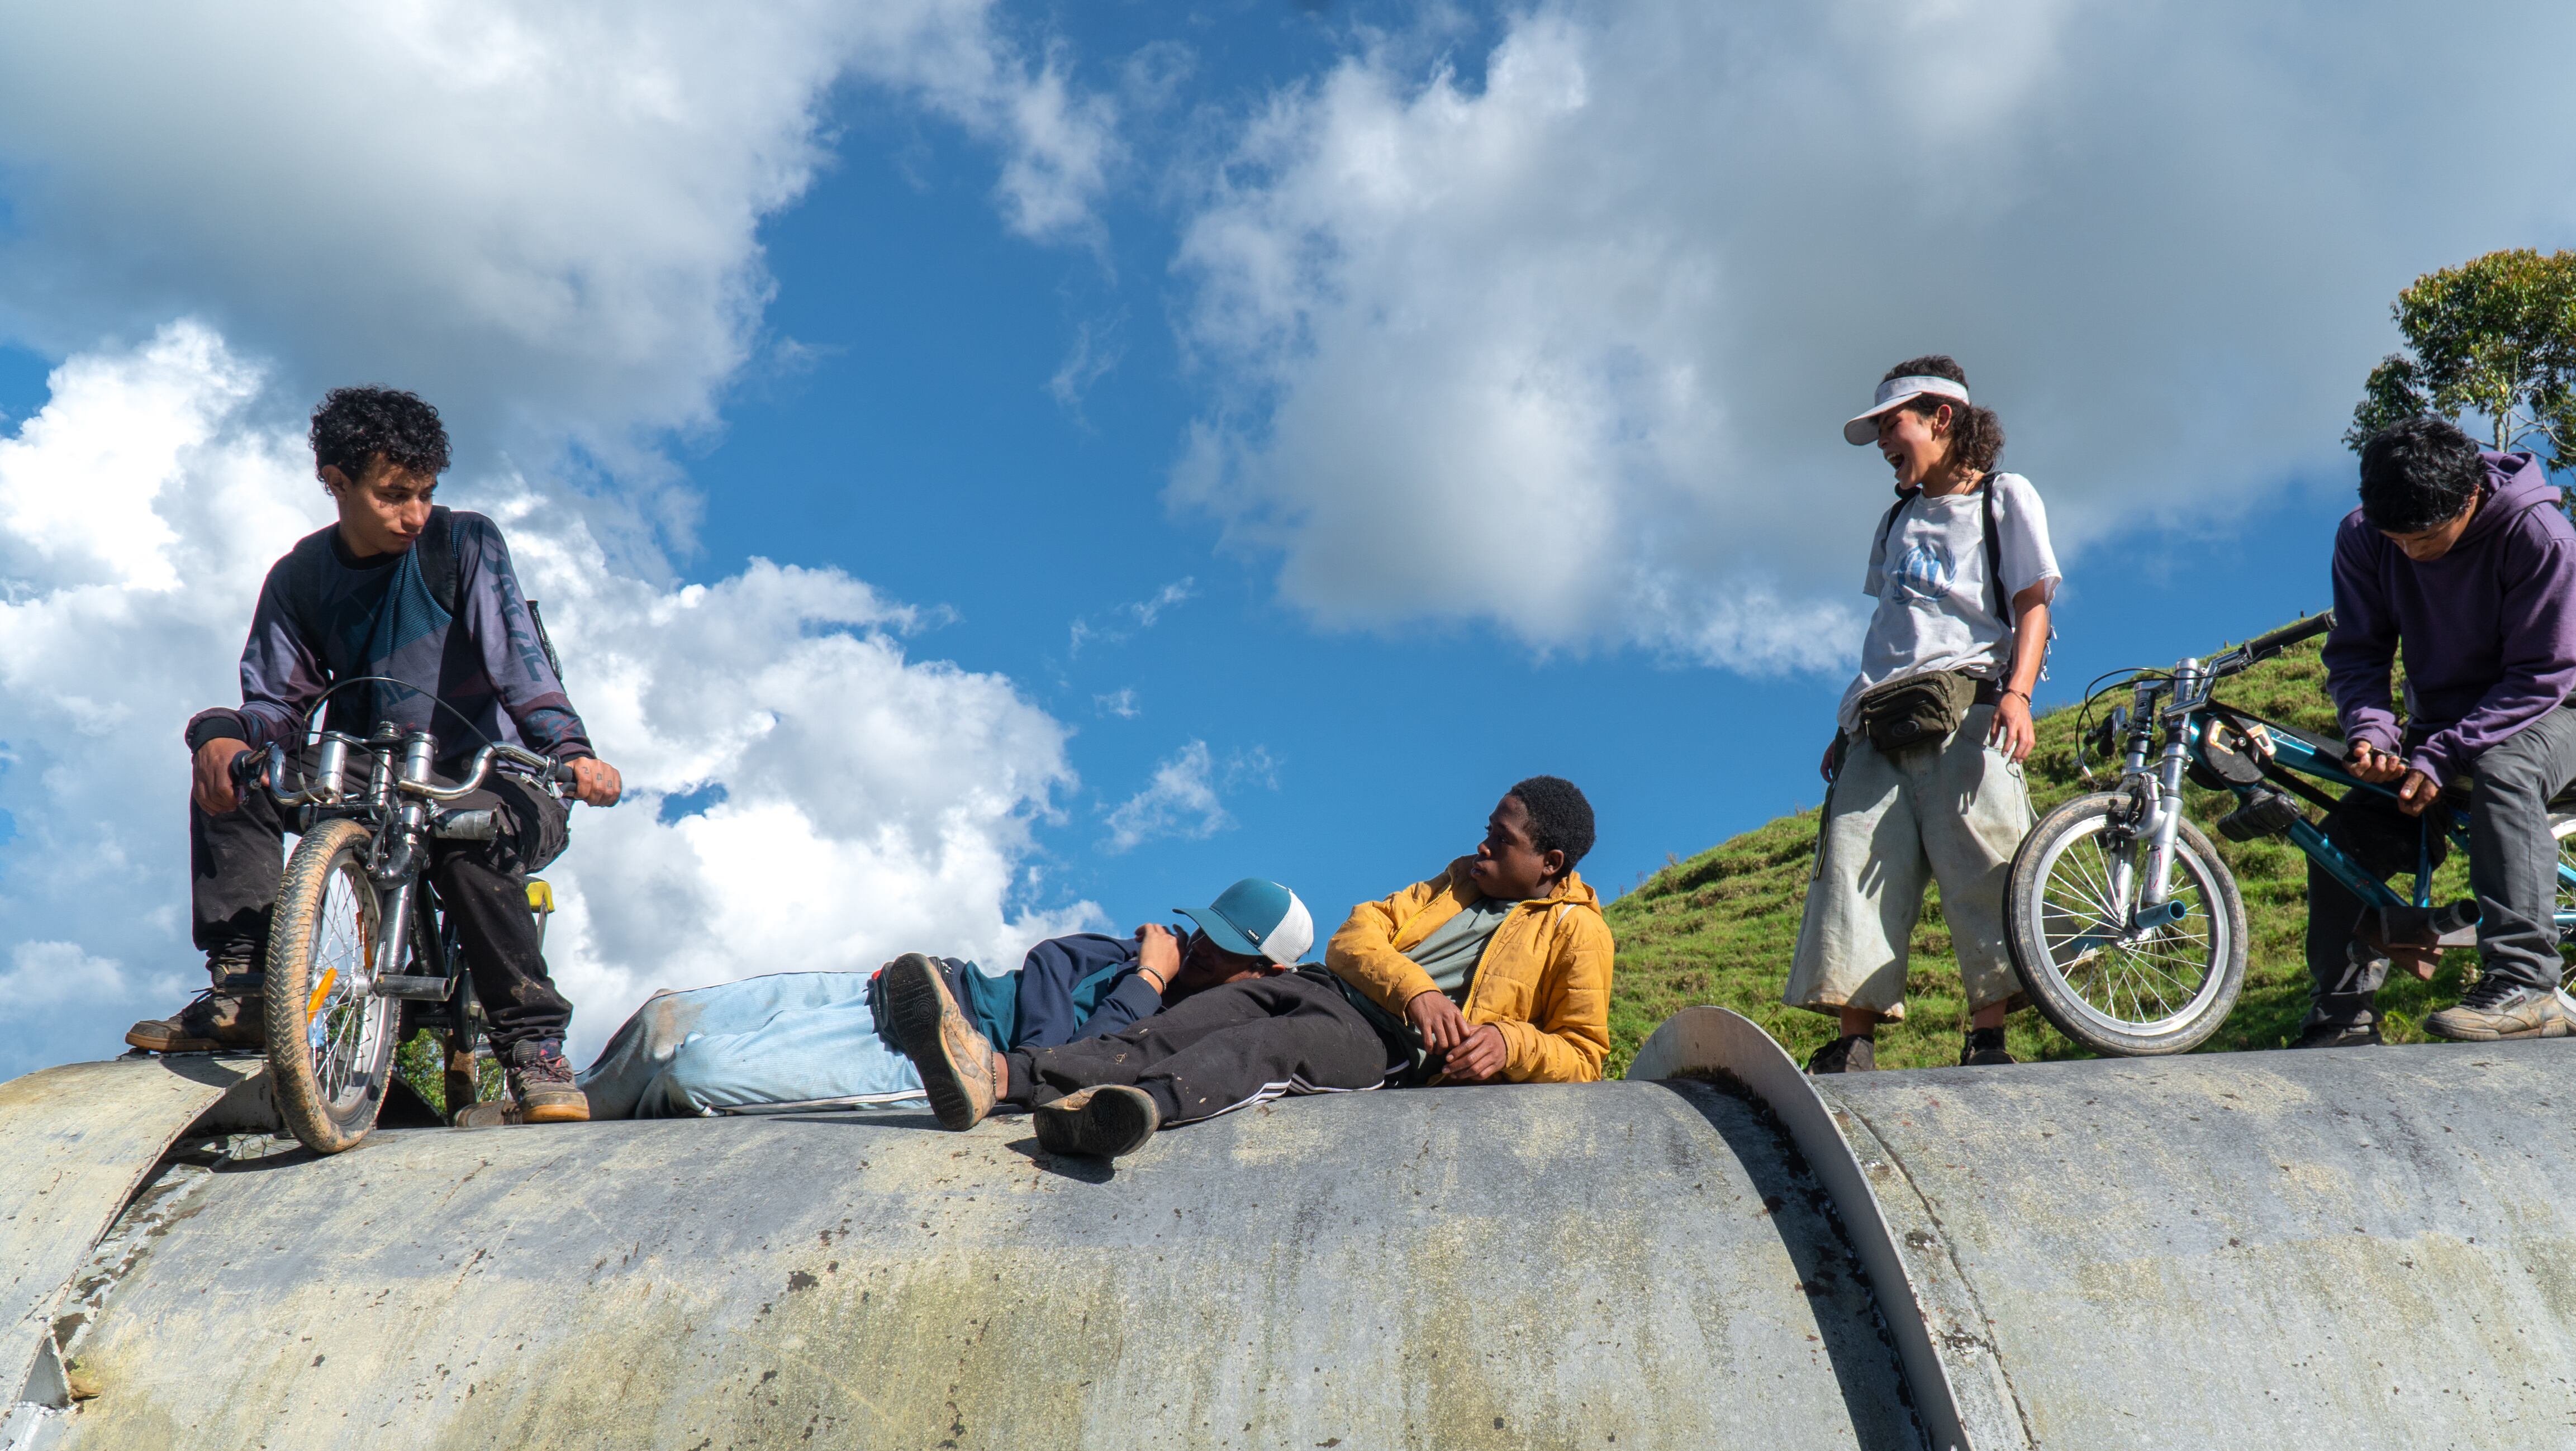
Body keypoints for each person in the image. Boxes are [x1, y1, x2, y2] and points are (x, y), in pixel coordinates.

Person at [124, 386, 622, 1120]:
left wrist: (571, 752)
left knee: (465, 840)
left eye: (425, 494)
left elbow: (520, 662)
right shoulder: (300, 580)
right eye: (393, 496)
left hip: (502, 774)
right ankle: (249, 987)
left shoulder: (462, 545)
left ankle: (533, 1049)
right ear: (336, 483)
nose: (414, 515)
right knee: (239, 775)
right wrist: (217, 735)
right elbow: (277, 707)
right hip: (380, 777)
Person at [904, 778, 1612, 1160]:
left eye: (1501, 839)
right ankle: (996, 1078)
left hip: (1388, 1045)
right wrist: (1419, 988)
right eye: (1486, 830)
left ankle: (1126, 1116)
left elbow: (1583, 1051)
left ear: (1549, 864)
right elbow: (1357, 935)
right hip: (1322, 987)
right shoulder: (1454, 880)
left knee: (1261, 1051)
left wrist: (1510, 1044)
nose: (1481, 845)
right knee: (1174, 1025)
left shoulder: (1580, 934)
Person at [2298, 416, 2576, 1045]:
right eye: (2394, 538)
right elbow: (2358, 653)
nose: (2407, 553)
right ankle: (2340, 1015)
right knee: (2346, 833)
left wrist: (2443, 755)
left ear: (2469, 499)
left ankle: (2526, 986)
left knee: (2504, 774)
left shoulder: (2535, 534)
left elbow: (2541, 671)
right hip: (2444, 725)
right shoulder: (2365, 538)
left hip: (2563, 704)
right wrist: (2372, 733)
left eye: (2423, 538)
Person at [1785, 357, 2059, 1073]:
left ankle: (1988, 1035)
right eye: (1878, 428)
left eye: (1891, 423)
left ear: (1942, 417)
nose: (1882, 440)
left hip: (1968, 703)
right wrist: (1843, 723)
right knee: (1853, 866)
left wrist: (2018, 695)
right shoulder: (1896, 520)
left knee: (1982, 863)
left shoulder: (2003, 498)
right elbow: (1893, 630)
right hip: (1877, 715)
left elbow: (2031, 603)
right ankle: (1854, 1040)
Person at [576, 881, 1309, 1118]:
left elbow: (1057, 1052)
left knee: (692, 1076)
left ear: (1262, 975)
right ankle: (544, 1118)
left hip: (928, 1052)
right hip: (894, 992)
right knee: (661, 1022)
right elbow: (1051, 967)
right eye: (1203, 933)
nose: (1199, 949)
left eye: (1222, 950)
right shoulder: (1133, 957)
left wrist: (1147, 983)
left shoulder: (1169, 1004)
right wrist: (1143, 972)